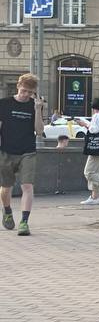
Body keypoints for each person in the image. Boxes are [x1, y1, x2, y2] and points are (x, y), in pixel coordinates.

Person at [0, 73, 46, 236]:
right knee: (6, 187)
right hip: (6, 151)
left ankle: (24, 222)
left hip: (28, 151)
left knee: (27, 186)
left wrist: (38, 109)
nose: (26, 94)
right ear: (18, 86)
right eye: (24, 90)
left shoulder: (35, 105)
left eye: (30, 92)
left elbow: (39, 131)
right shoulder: (4, 104)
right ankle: (7, 211)